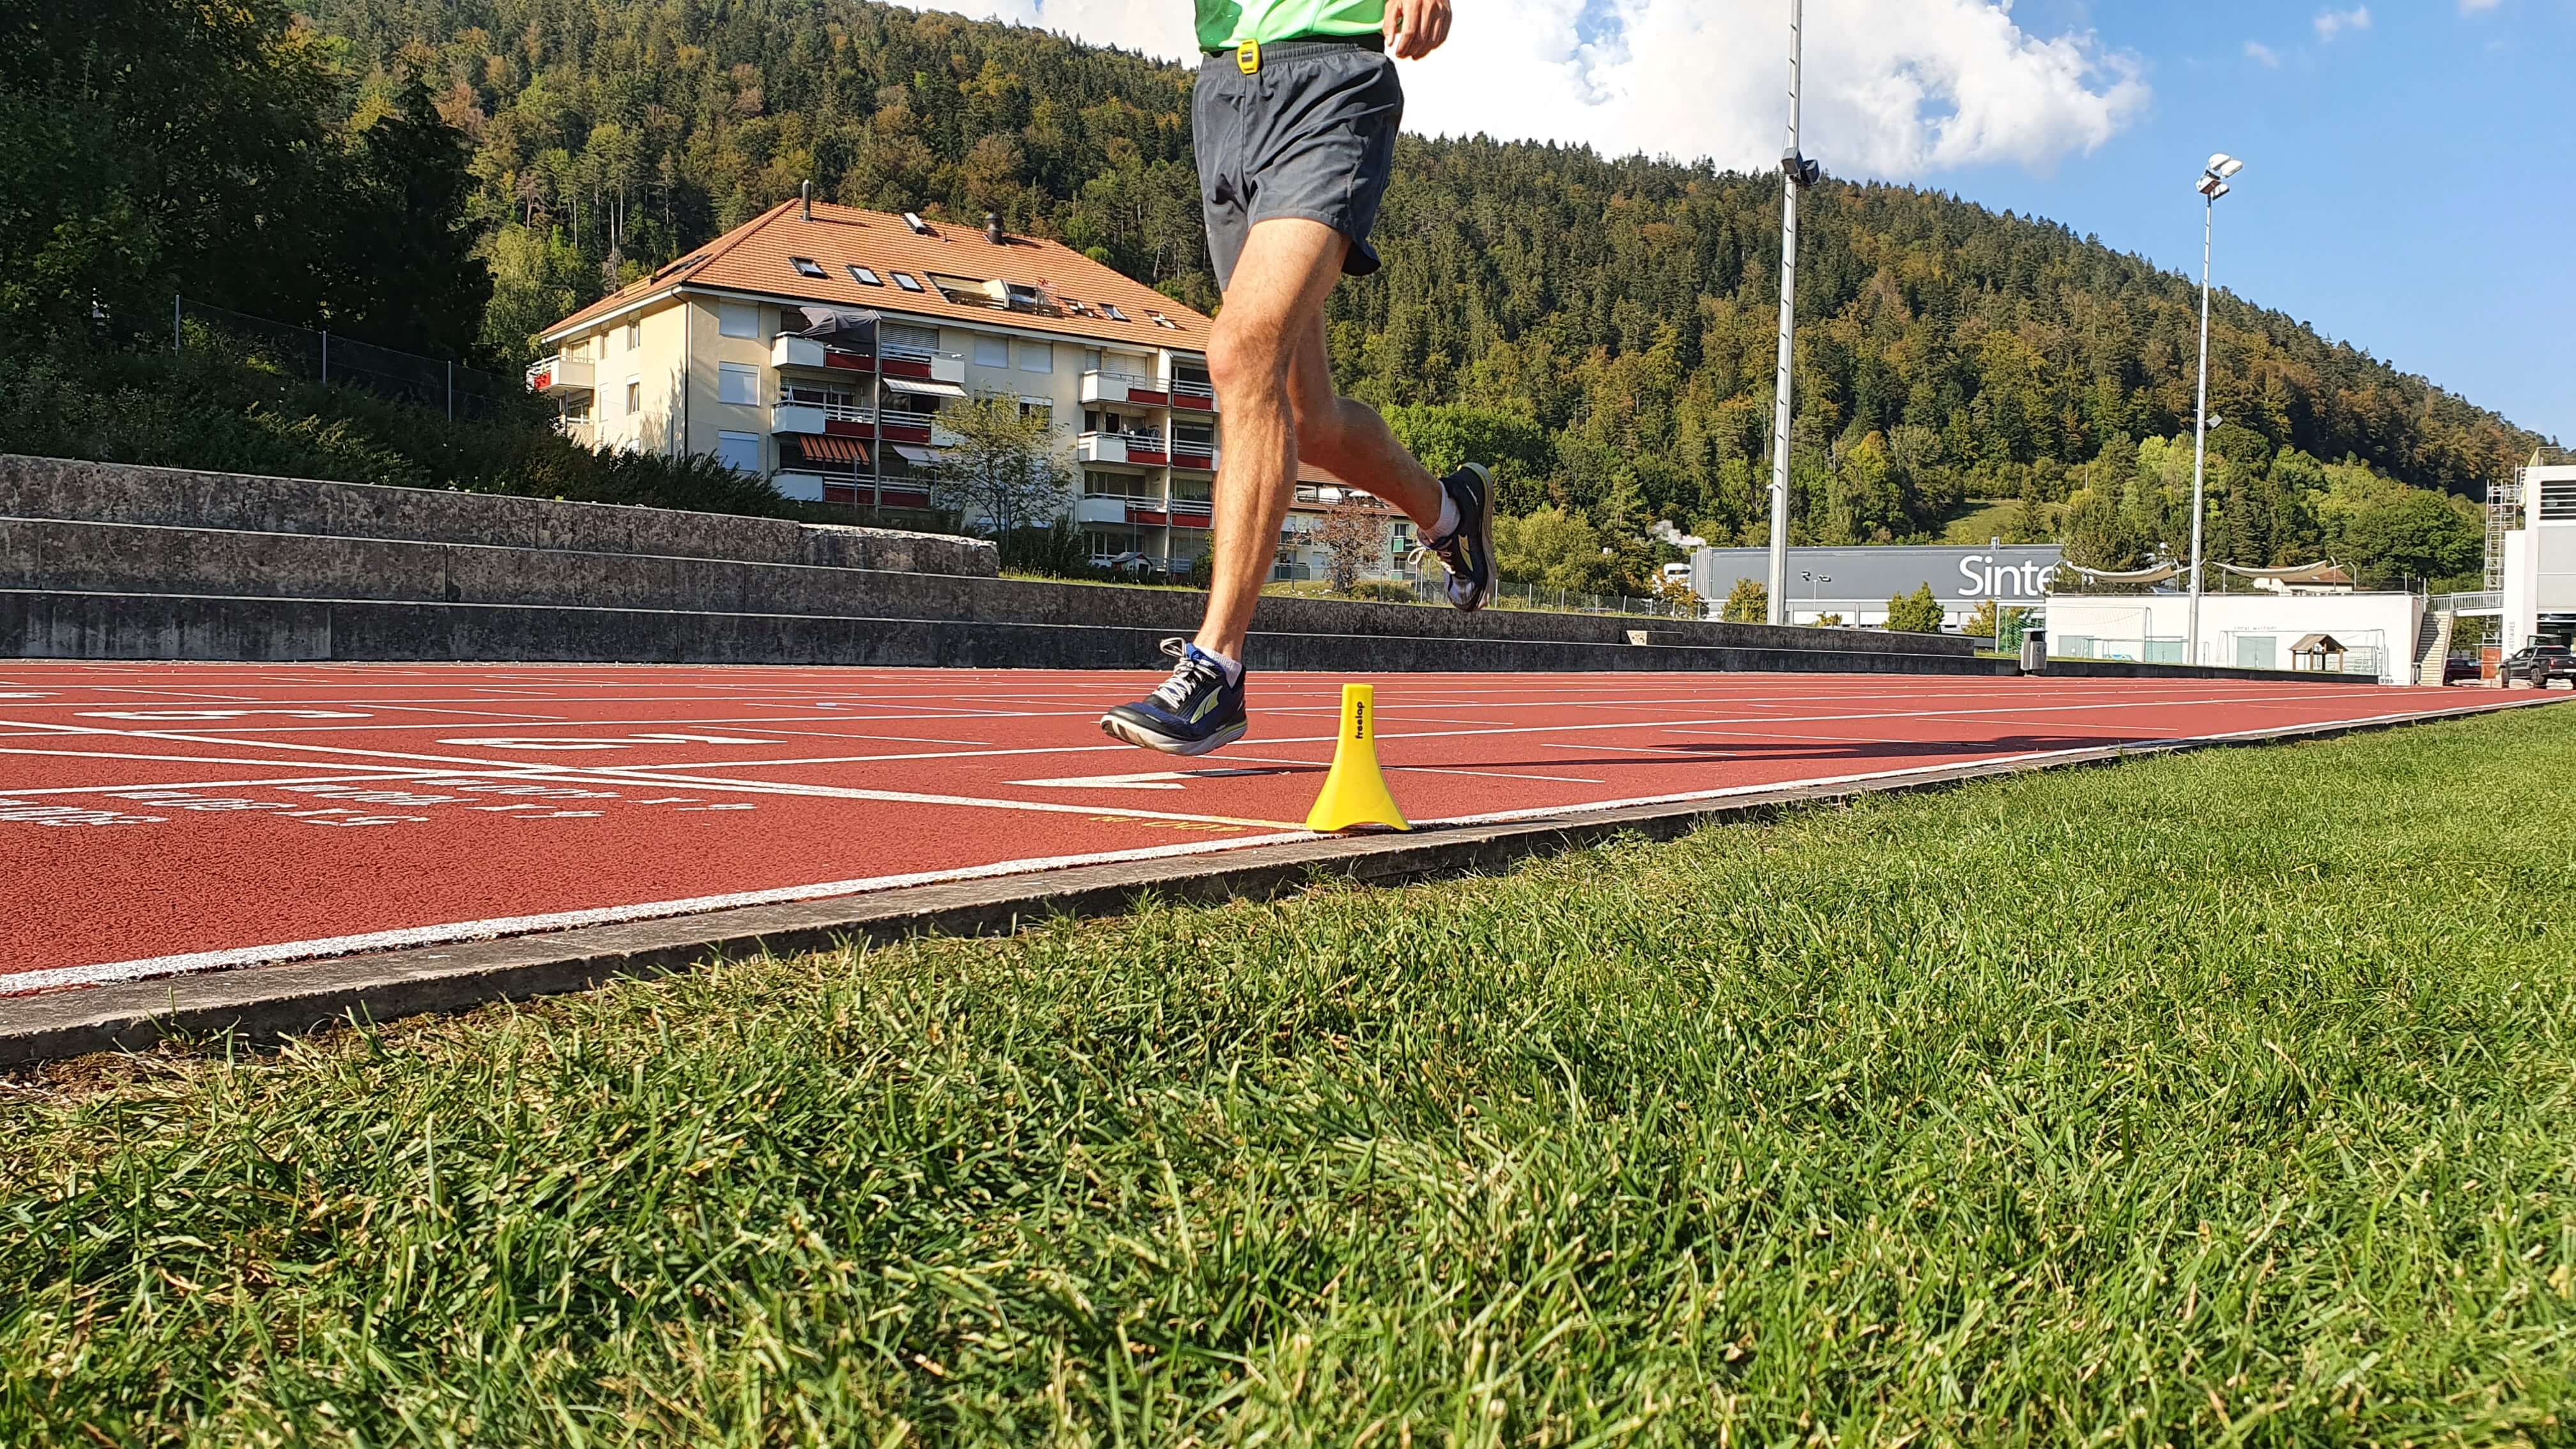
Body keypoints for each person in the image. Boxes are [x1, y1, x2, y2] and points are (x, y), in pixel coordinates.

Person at [1098, 0, 1494, 757]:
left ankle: (1217, 667)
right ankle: (1450, 511)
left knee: (1241, 355)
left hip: (1331, 81)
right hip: (1224, 97)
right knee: (1306, 419)